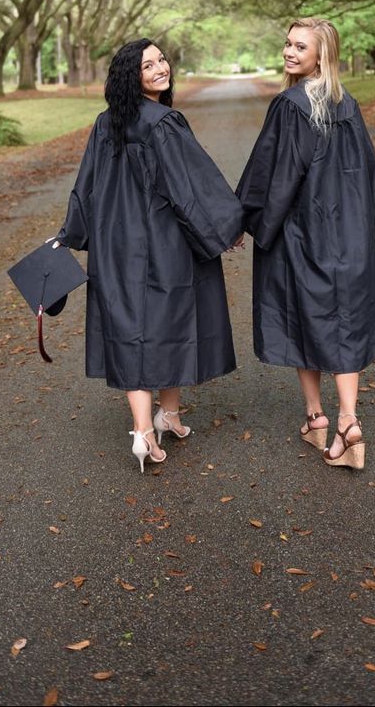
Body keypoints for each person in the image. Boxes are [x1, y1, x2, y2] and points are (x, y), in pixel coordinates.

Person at [55, 39, 244, 472]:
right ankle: (153, 424)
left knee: (129, 327)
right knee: (170, 325)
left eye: (161, 60)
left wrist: (73, 234)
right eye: (148, 65)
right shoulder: (163, 123)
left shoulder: (106, 124)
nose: (160, 68)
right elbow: (190, 189)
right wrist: (225, 228)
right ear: (131, 76)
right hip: (163, 246)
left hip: (113, 247)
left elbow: (84, 189)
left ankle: (158, 421)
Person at [236, 18, 375, 469]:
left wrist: (245, 220)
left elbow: (274, 176)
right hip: (348, 238)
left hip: (302, 236)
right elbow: (371, 174)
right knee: (344, 323)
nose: (289, 52)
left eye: (300, 47)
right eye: (287, 44)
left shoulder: (291, 105)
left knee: (300, 318)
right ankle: (345, 422)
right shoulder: (346, 104)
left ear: (321, 56)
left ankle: (317, 416)